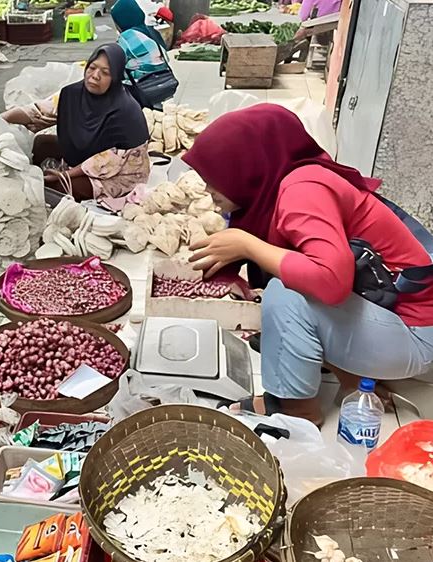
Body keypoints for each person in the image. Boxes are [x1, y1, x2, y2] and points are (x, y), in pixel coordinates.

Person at [184, 104, 433, 425]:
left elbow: (331, 281)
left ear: (245, 168)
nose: (208, 190)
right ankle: (349, 376)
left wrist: (249, 246)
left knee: (284, 295)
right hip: (396, 314)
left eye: (214, 177)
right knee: (287, 284)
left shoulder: (301, 192)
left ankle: (297, 410)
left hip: (416, 334)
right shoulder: (292, 181)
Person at [2, 44, 150, 212]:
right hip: (88, 152)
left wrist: (64, 175)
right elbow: (39, 110)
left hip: (117, 174)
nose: (95, 76)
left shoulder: (126, 111)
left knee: (55, 188)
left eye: (105, 73)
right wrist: (1, 119)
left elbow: (108, 162)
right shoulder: (72, 94)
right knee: (42, 143)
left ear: (115, 77)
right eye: (92, 67)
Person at [112, 0, 171, 82]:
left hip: (142, 86)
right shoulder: (151, 31)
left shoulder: (127, 37)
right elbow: (166, 57)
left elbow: (116, 64)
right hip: (164, 79)